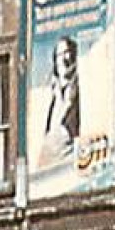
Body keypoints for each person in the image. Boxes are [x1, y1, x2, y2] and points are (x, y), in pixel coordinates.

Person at [41, 35, 80, 164]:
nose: (63, 59)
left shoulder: (80, 86)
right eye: (59, 55)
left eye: (66, 53)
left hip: (72, 162)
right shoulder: (53, 94)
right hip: (52, 161)